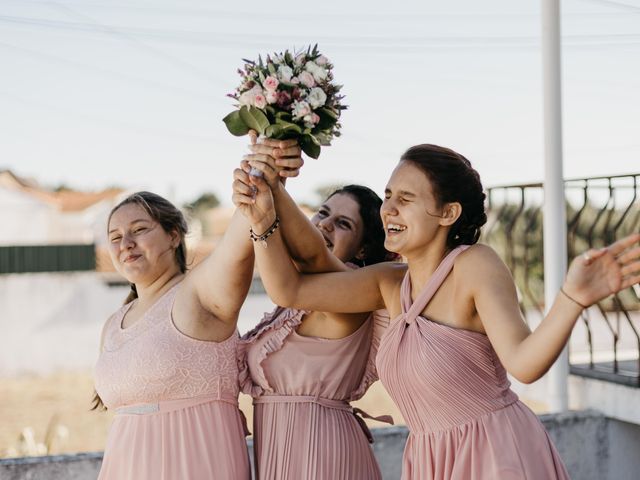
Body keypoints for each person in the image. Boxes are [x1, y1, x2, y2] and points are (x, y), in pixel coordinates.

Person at [234, 143, 640, 480]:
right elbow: (288, 289)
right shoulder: (390, 283)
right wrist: (262, 215)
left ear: (448, 213)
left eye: (405, 199)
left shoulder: (474, 265)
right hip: (430, 459)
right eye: (388, 196)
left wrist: (571, 298)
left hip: (495, 455)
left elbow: (525, 363)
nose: (388, 210)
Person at [93, 143, 302, 480]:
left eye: (139, 230)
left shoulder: (198, 295)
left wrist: (264, 164)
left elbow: (241, 232)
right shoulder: (113, 325)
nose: (125, 244)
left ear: (174, 235)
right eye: (114, 236)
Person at [232, 144, 396, 480]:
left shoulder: (354, 293)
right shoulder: (294, 304)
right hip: (281, 458)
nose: (324, 225)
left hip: (322, 457)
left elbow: (312, 257)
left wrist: (271, 188)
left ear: (363, 247)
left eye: (343, 223)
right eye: (322, 213)